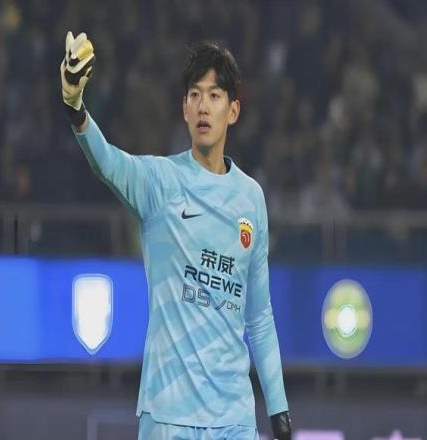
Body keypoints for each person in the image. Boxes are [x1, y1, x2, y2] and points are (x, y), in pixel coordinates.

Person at [61, 31, 291, 440]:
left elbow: (259, 316)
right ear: (184, 108)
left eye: (215, 96)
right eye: (195, 95)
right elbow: (107, 162)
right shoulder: (160, 182)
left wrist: (279, 411)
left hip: (234, 419)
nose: (203, 106)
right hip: (169, 415)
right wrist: (76, 109)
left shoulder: (251, 198)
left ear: (233, 110)